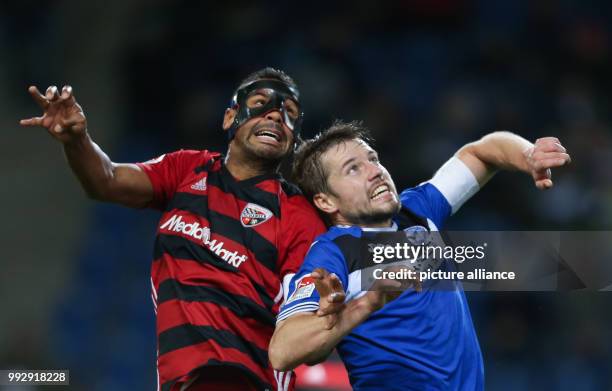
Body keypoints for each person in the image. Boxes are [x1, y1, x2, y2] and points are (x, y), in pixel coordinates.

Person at [20, 68, 327, 391]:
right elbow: (105, 180)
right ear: (229, 118)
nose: (276, 116)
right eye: (261, 103)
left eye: (289, 113)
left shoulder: (298, 216)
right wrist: (77, 140)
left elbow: (307, 319)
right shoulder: (186, 169)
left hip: (246, 381)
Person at [269, 120, 571, 390]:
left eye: (372, 159)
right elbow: (282, 352)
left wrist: (528, 154)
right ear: (325, 201)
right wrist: (366, 304)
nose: (375, 171)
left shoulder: (417, 210)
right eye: (353, 169)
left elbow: (480, 152)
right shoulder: (333, 253)